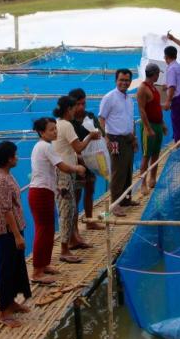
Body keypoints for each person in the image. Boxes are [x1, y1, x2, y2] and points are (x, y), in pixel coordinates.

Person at [29, 117, 86, 285]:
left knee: (48, 230)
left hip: (45, 190)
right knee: (43, 230)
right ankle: (37, 272)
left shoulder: (43, 146)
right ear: (41, 132)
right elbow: (63, 166)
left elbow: (47, 170)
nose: (55, 132)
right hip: (40, 193)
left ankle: (44, 264)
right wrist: (77, 168)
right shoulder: (45, 146)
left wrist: (57, 187)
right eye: (51, 129)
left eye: (55, 129)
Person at [0, 141, 32, 329]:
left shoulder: (7, 175)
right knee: (6, 270)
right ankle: (3, 311)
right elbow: (6, 211)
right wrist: (17, 235)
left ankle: (12, 302)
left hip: (14, 227)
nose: (17, 157)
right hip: (6, 231)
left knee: (16, 266)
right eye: (15, 155)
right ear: (8, 158)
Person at [52, 95, 101, 256]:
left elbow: (69, 150)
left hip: (69, 169)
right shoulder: (66, 125)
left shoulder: (59, 124)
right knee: (66, 210)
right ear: (68, 110)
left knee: (72, 207)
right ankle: (64, 249)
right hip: (65, 173)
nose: (75, 111)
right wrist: (90, 136)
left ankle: (72, 239)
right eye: (74, 108)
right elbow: (78, 147)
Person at [99, 69, 137, 215]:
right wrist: (106, 138)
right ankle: (115, 204)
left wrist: (133, 138)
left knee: (128, 170)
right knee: (117, 172)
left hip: (128, 139)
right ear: (116, 80)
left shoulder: (129, 98)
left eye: (127, 80)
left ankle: (126, 199)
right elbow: (101, 119)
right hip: (115, 139)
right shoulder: (109, 97)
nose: (124, 83)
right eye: (121, 80)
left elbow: (130, 120)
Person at [69, 87, 105, 231]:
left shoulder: (89, 117)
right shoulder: (68, 122)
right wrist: (79, 159)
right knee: (75, 198)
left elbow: (100, 133)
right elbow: (67, 147)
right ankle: (74, 230)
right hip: (74, 164)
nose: (81, 107)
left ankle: (90, 221)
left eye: (83, 103)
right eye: (78, 104)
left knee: (90, 190)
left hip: (90, 161)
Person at [137, 63, 168, 195]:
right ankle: (143, 183)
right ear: (153, 74)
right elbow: (142, 110)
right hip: (148, 126)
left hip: (157, 124)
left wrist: (162, 124)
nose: (158, 76)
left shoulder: (154, 88)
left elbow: (155, 108)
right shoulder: (143, 89)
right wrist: (148, 128)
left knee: (155, 153)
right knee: (146, 155)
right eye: (157, 74)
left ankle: (152, 178)